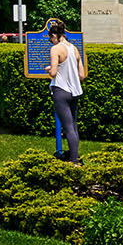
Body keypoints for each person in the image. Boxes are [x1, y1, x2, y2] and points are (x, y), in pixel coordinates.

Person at [44, 20, 85, 163]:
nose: (51, 41)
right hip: (74, 91)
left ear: (55, 35)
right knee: (73, 127)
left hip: (61, 91)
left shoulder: (56, 49)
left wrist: (48, 69)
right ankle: (75, 156)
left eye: (51, 39)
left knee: (67, 128)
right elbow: (82, 75)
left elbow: (54, 72)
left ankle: (73, 161)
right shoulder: (74, 49)